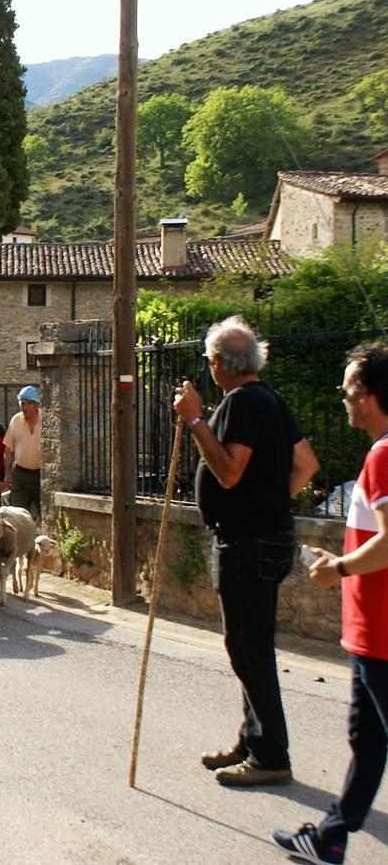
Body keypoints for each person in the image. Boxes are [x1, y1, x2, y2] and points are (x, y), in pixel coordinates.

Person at [173, 315, 319, 788]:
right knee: (250, 644)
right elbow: (307, 464)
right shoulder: (272, 400)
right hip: (269, 536)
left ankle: (271, 755)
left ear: (219, 364)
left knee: (248, 649)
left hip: (245, 543)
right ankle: (253, 740)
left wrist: (195, 419)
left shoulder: (240, 403)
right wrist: (271, 502)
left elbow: (230, 472)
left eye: (209, 361)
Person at [273, 342, 388, 864]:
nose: (342, 398)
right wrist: (341, 556)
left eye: (347, 390)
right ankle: (331, 838)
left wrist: (337, 568)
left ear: (368, 396)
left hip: (382, 631)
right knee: (367, 739)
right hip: (370, 629)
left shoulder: (384, 455)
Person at [1, 385, 42, 521]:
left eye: (29, 403)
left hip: (42, 476)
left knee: (46, 515)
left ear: (36, 404)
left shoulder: (46, 419)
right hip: (20, 474)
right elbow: (8, 449)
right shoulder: (16, 420)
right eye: (22, 403)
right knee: (16, 516)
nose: (25, 407)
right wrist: (7, 474)